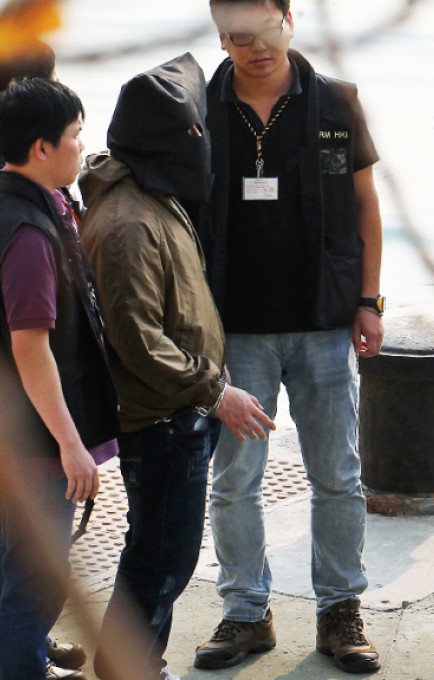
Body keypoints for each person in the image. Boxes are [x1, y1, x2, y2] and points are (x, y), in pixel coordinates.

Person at [194, 0, 384, 673]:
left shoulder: (334, 102)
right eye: (238, 38)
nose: (255, 49)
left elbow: (366, 203)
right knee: (233, 482)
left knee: (336, 474)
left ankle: (341, 613)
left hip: (324, 323)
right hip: (235, 330)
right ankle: (246, 613)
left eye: (265, 32)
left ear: (290, 21)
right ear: (222, 38)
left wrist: (369, 300)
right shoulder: (199, 108)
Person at [78, 54, 275, 680]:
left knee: (164, 554)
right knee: (158, 560)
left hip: (176, 411)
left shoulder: (150, 195)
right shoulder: (129, 222)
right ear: (164, 139)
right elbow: (136, 339)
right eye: (191, 130)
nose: (202, 142)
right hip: (161, 420)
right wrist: (215, 391)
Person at [0, 77, 119, 680]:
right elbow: (31, 348)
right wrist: (73, 447)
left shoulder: (20, 209)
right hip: (30, 450)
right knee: (32, 589)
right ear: (42, 148)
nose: (82, 147)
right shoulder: (28, 234)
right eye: (75, 136)